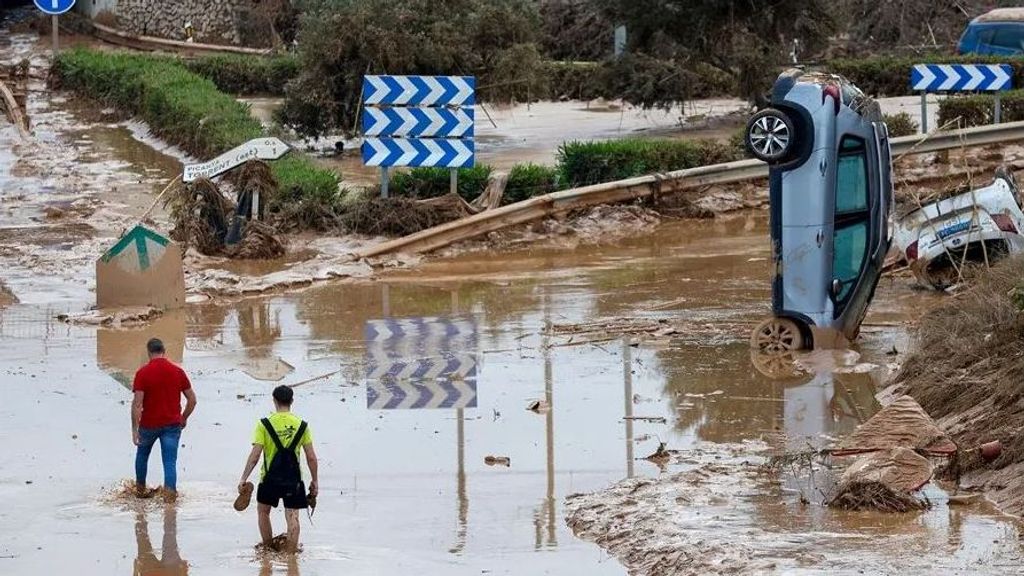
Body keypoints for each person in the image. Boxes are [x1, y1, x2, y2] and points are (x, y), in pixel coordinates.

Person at [237, 385, 318, 553]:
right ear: (292, 401)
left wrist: (243, 478)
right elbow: (311, 457)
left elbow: (255, 456)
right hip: (293, 480)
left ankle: (268, 549)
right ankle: (291, 555)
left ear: (274, 401)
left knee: (263, 512)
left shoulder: (264, 424)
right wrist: (315, 480)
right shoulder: (302, 425)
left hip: (269, 479)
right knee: (293, 517)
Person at [132, 338, 197, 500]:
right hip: (172, 425)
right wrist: (184, 417)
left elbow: (137, 404)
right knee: (169, 462)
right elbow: (192, 399)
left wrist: (134, 429)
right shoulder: (177, 371)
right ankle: (169, 496)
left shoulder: (142, 373)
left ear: (149, 352)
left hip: (148, 425)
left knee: (142, 455)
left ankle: (140, 490)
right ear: (164, 351)